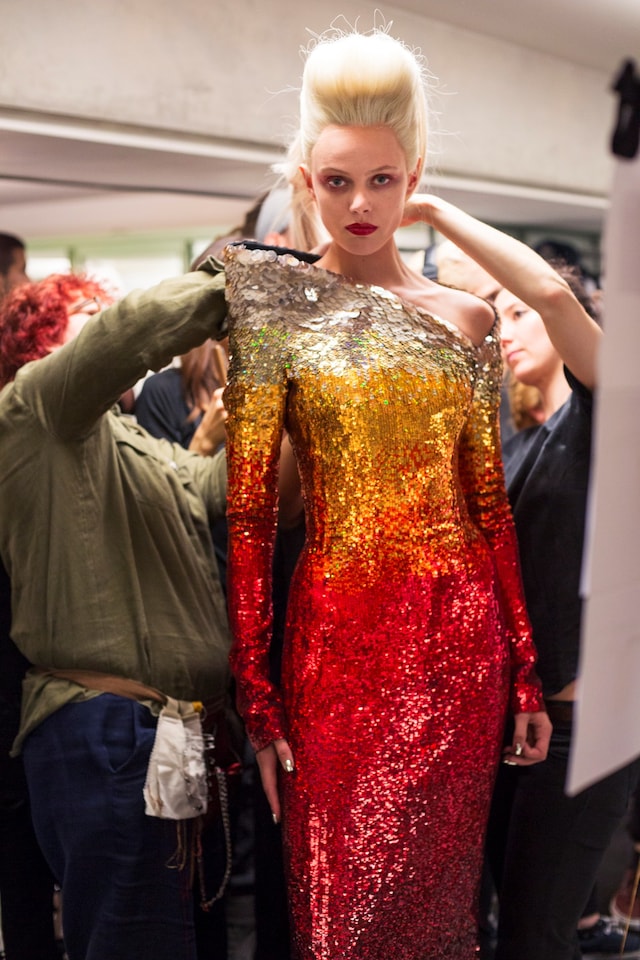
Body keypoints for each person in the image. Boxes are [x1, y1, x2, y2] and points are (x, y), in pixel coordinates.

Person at [222, 26, 551, 960]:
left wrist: (525, 665)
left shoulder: (468, 318)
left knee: (442, 914)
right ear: (307, 180)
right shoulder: (274, 314)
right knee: (339, 917)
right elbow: (250, 518)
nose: (360, 204)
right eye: (337, 181)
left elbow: (489, 505)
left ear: (414, 179)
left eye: (380, 179)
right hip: (333, 649)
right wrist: (257, 697)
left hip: (459, 649)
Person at [412, 196, 640, 957]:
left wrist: (433, 211)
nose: (505, 330)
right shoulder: (516, 444)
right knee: (503, 932)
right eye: (498, 317)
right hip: (514, 719)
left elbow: (549, 291)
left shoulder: (610, 415)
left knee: (536, 935)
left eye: (517, 315)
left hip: (584, 727)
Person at [0, 266, 232, 960]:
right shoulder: (35, 406)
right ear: (44, 346)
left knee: (172, 940)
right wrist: (236, 285)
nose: (110, 320)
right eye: (89, 316)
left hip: (166, 733)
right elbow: (127, 334)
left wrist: (285, 401)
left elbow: (227, 489)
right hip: (106, 726)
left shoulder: (138, 443)